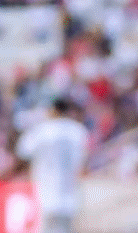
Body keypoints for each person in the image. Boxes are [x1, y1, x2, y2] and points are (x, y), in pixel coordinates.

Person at [15, 98, 90, 233]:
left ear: (53, 110)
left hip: (45, 195)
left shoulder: (42, 130)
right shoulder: (78, 131)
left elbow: (23, 155)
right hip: (70, 196)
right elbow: (84, 162)